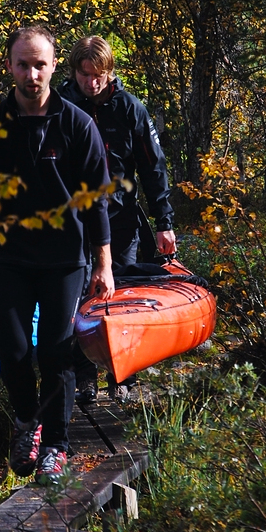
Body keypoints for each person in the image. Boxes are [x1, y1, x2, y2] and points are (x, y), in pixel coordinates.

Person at [0, 24, 114, 484]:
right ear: (10, 66)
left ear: (53, 67)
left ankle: (55, 446)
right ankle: (27, 421)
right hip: (10, 259)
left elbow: (95, 199)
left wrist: (105, 263)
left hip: (64, 261)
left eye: (40, 64)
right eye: (24, 64)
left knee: (54, 353)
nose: (32, 73)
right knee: (11, 351)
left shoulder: (76, 124)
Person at [59, 35, 176, 401]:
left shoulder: (130, 109)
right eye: (85, 75)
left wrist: (164, 222)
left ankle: (122, 377)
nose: (92, 83)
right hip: (73, 223)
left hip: (121, 222)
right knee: (78, 300)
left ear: (110, 73)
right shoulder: (58, 107)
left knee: (120, 296)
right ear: (74, 71)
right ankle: (84, 377)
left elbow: (153, 168)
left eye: (99, 76)